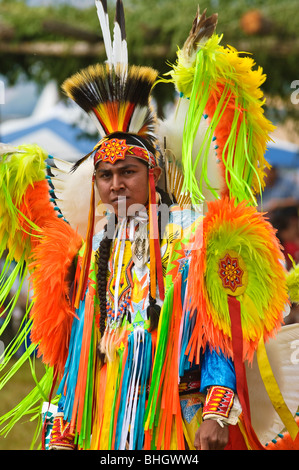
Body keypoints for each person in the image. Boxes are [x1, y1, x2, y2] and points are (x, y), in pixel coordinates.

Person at [1, 0, 299, 452]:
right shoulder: (90, 248)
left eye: (128, 172)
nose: (116, 184)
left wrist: (217, 408)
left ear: (152, 175)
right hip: (104, 408)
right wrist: (61, 424)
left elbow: (216, 330)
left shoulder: (191, 236)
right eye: (106, 175)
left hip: (174, 412)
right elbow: (81, 344)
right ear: (96, 182)